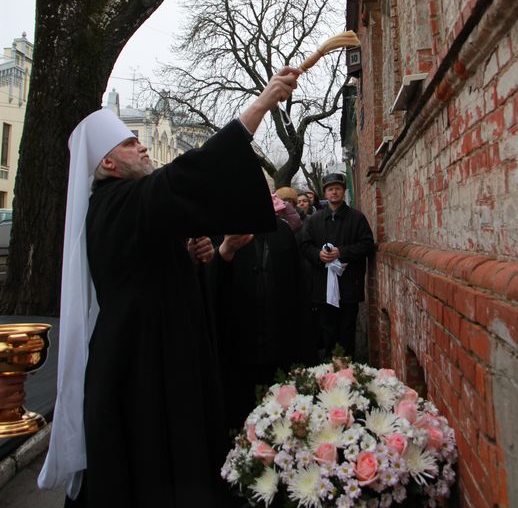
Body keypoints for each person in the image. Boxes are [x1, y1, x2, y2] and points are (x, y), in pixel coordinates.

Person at [38, 67, 302, 508]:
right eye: (129, 143)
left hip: (156, 356)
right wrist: (260, 105)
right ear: (107, 164)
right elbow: (188, 176)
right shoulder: (118, 201)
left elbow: (154, 275)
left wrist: (195, 258)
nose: (142, 145)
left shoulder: (129, 205)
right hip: (140, 370)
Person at [208, 217, 316, 438]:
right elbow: (210, 288)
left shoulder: (282, 231)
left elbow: (298, 288)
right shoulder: (221, 231)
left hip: (280, 344)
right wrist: (224, 254)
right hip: (239, 350)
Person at [298, 172, 375, 360]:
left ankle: (349, 370)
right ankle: (329, 369)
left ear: (343, 191)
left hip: (349, 285)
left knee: (347, 330)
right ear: (325, 193)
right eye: (330, 189)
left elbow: (367, 244)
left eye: (338, 189)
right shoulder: (314, 220)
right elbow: (305, 246)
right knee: (327, 330)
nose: (334, 192)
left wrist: (342, 252)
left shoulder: (357, 218)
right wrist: (319, 255)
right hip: (323, 287)